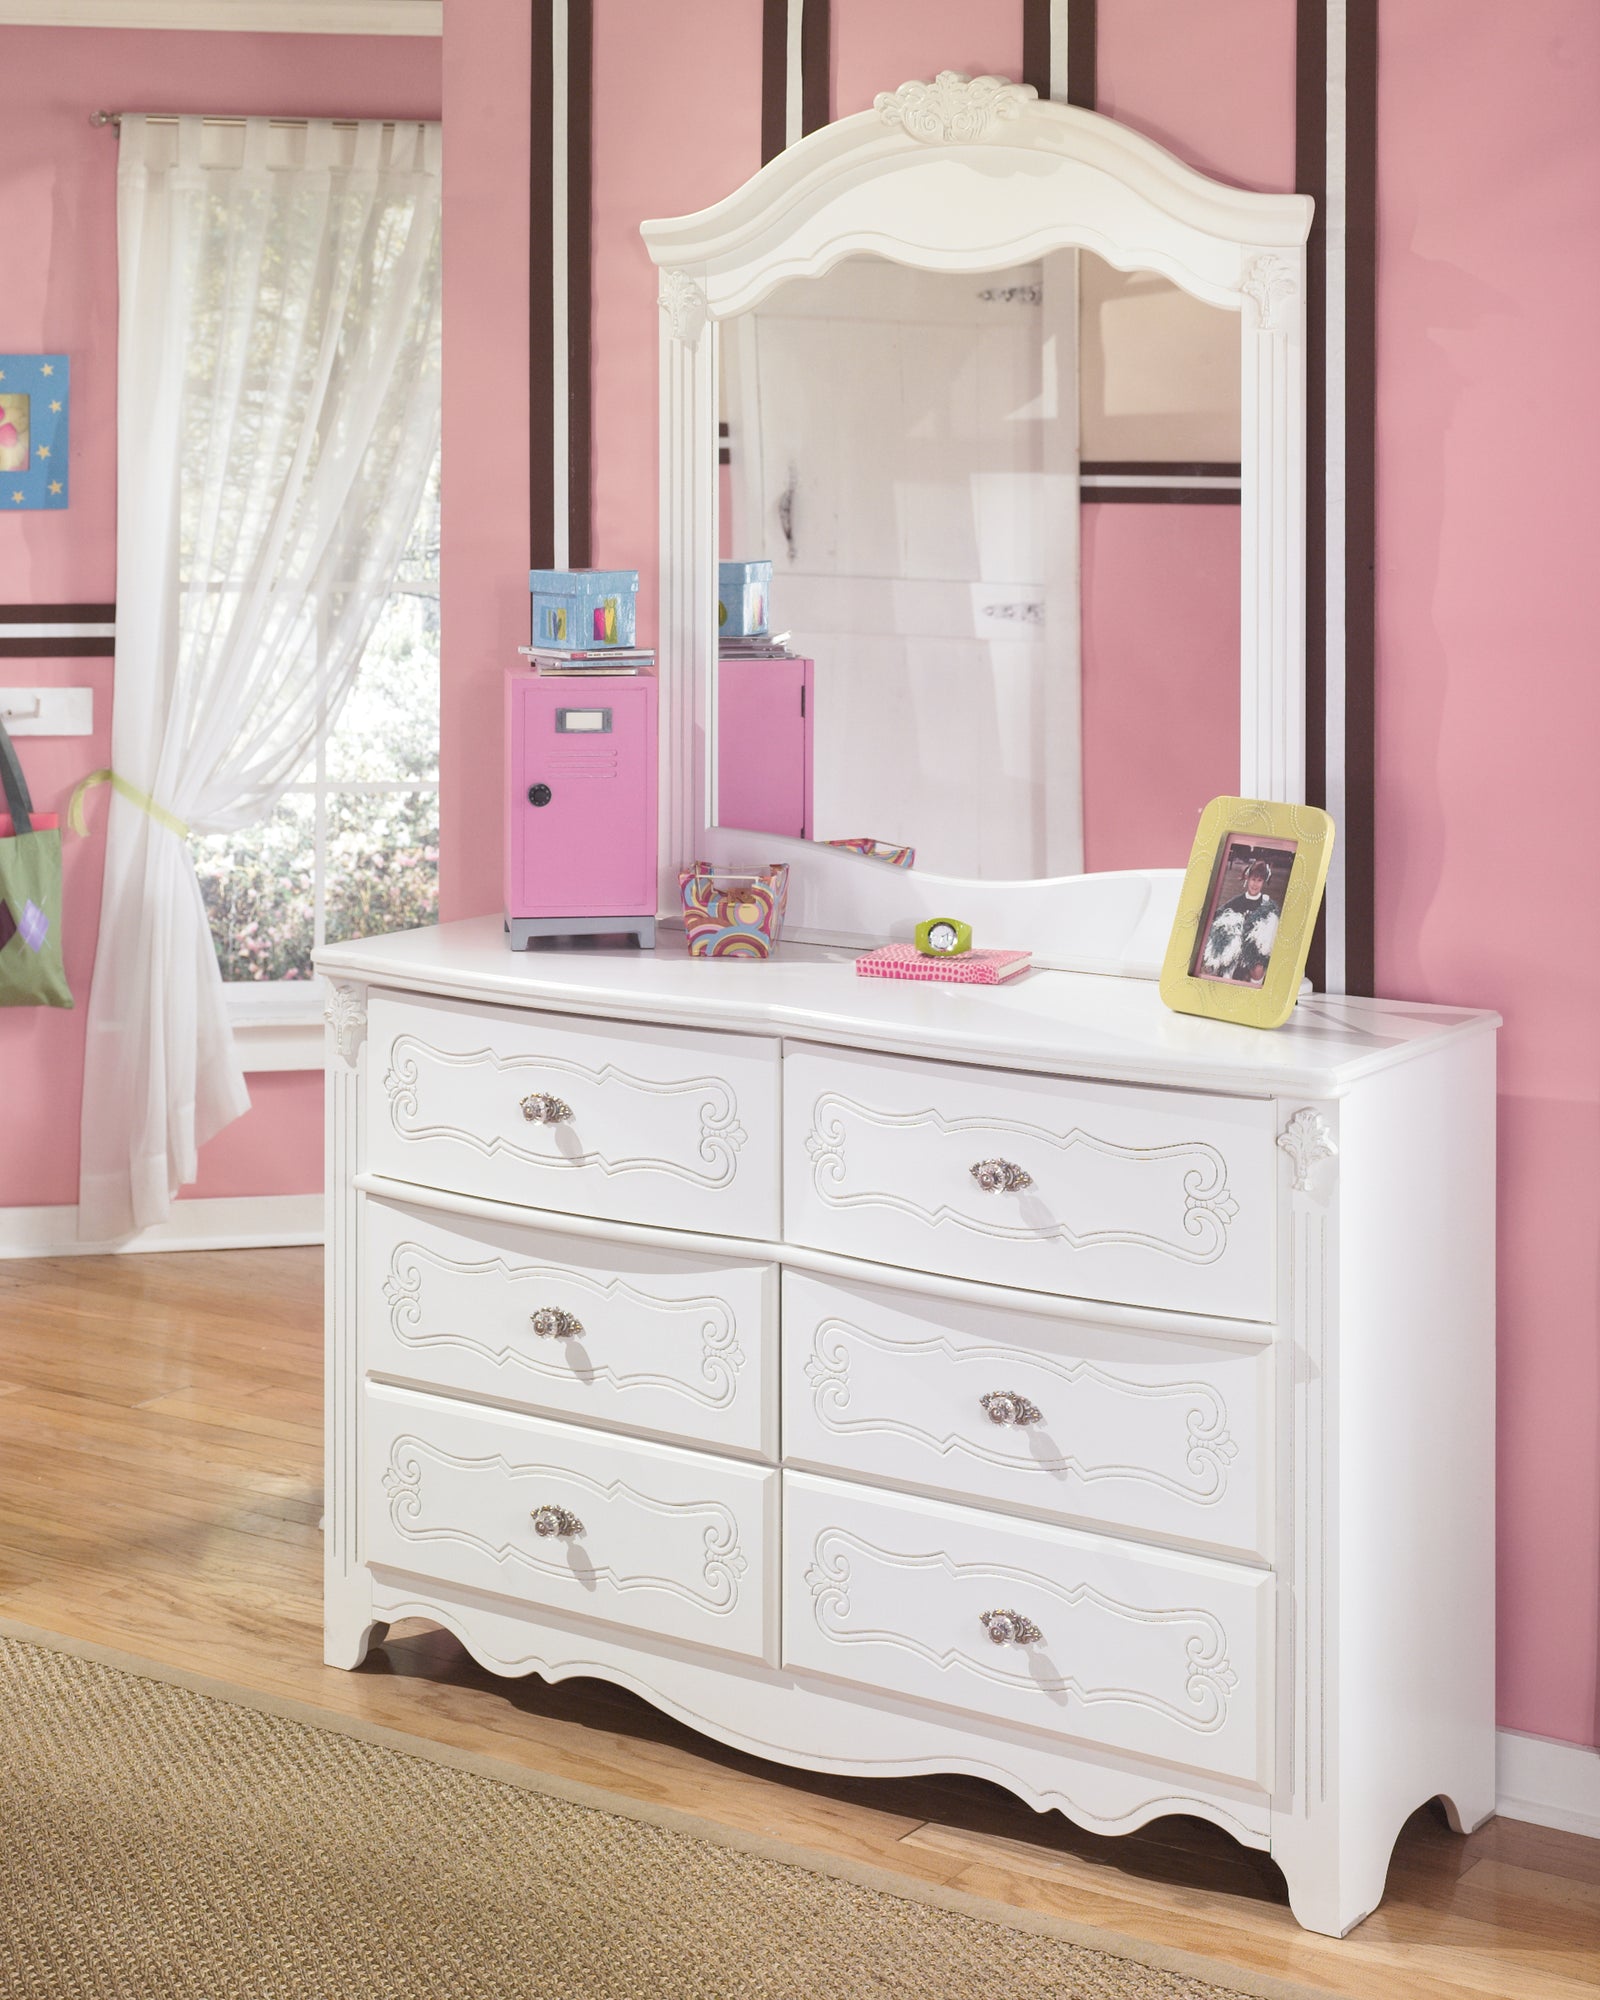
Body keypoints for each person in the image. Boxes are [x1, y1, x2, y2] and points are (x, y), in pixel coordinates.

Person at [1200, 856, 1281, 984]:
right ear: (1247, 879)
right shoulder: (1236, 902)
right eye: (1253, 879)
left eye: (1259, 880)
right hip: (1234, 948)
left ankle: (1254, 988)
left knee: (1258, 970)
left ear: (1264, 882)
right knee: (1222, 968)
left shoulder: (1266, 904)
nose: (1255, 884)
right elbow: (1216, 916)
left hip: (1253, 950)